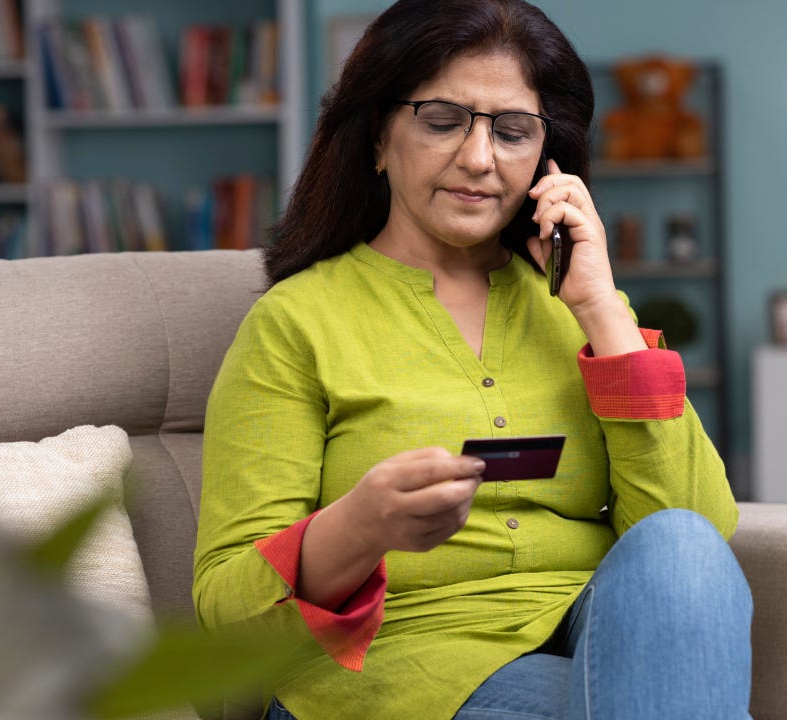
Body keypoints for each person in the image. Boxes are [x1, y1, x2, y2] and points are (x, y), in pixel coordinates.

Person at [192, 1, 752, 718]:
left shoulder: (575, 305)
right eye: (442, 119)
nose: (480, 158)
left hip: (588, 629)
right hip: (400, 666)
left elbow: (702, 533)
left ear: (546, 160)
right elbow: (224, 612)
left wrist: (604, 308)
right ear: (377, 137)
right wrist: (360, 526)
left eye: (512, 131)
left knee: (678, 545)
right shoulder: (295, 323)